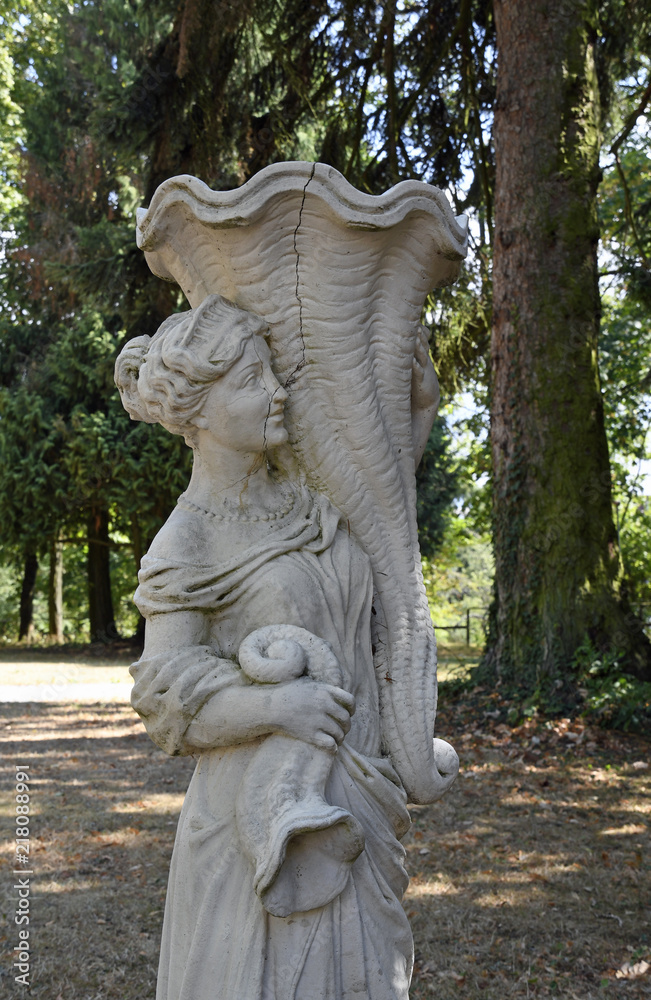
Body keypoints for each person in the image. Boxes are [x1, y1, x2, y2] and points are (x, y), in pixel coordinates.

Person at [115, 293, 428, 1000]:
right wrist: (278, 708)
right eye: (253, 381)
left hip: (354, 786)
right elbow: (165, 701)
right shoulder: (187, 540)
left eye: (273, 373)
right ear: (198, 409)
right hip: (257, 822)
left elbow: (384, 517)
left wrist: (418, 413)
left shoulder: (307, 500)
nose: (277, 391)